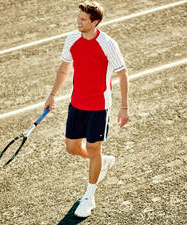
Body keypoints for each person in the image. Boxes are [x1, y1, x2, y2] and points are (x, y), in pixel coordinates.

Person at [44, 0, 129, 217]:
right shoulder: (72, 39)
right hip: (77, 104)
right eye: (78, 18)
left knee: (93, 148)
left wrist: (124, 107)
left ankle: (89, 196)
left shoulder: (108, 43)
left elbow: (122, 73)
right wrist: (52, 95)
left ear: (95, 22)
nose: (78, 22)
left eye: (83, 19)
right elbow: (64, 69)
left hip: (100, 107)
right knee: (72, 148)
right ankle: (101, 162)